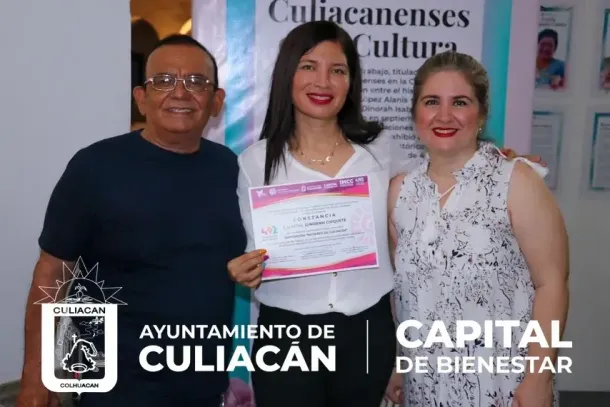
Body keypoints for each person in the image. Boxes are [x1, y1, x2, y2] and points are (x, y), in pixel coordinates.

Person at [226, 21, 544, 407]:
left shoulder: (379, 148)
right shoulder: (255, 162)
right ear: (286, 74)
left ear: (351, 81)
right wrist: (243, 269)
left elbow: (442, 174)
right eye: (308, 66)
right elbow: (254, 252)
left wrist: (503, 163)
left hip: (366, 329)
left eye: (338, 70)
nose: (323, 82)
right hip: (287, 333)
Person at [16, 34, 246, 407]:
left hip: (201, 383)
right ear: (141, 97)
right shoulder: (95, 167)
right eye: (164, 80)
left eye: (196, 82)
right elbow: (52, 273)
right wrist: (36, 374)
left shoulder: (232, 169)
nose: (180, 92)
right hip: (110, 385)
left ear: (216, 101)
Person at [385, 51, 569, 407]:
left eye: (460, 102)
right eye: (431, 101)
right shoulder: (400, 193)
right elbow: (404, 296)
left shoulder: (517, 182)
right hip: (425, 385)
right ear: (415, 113)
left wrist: (539, 378)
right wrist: (400, 362)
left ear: (481, 114)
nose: (444, 115)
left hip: (503, 386)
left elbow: (552, 284)